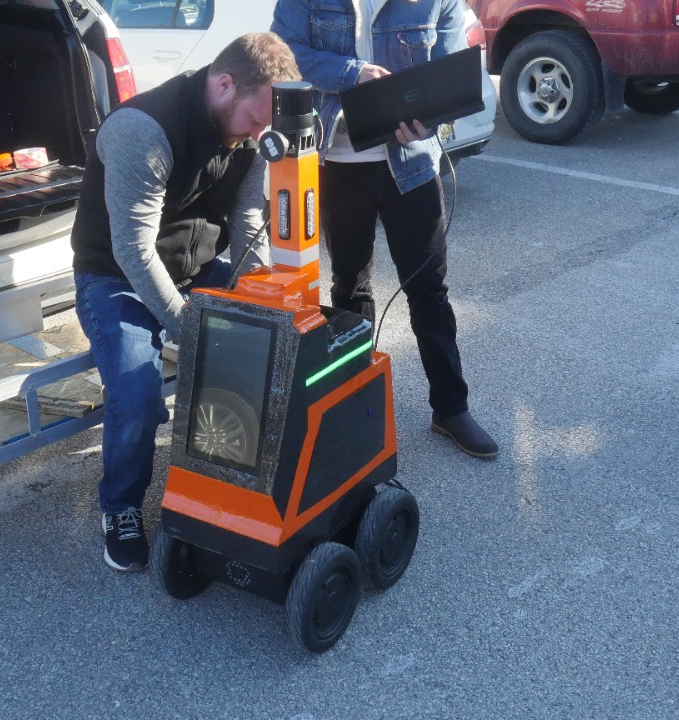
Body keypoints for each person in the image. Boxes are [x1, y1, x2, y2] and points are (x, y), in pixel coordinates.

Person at [70, 33, 301, 571]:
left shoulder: (252, 131)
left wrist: (260, 294)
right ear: (224, 85)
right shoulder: (143, 130)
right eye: (254, 119)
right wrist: (186, 326)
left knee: (282, 335)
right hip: (116, 278)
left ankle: (245, 478)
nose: (259, 134)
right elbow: (132, 250)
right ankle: (121, 506)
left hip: (195, 268)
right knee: (137, 391)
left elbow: (248, 219)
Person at [271, 0, 499, 460]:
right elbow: (284, 53)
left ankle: (451, 408)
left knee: (428, 288)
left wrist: (428, 121)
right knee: (350, 285)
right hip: (337, 163)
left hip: (411, 167)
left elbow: (452, 73)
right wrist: (351, 73)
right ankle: (354, 405)